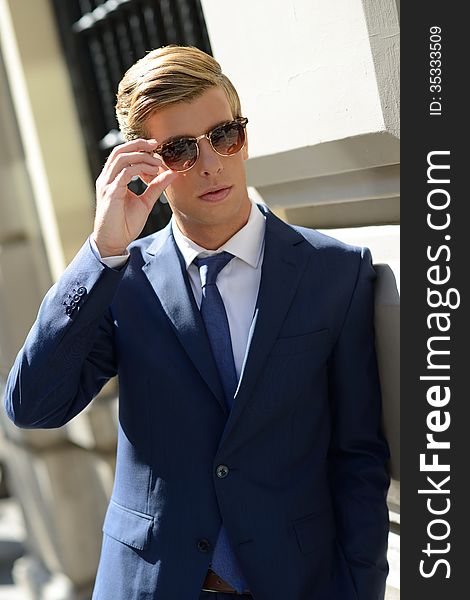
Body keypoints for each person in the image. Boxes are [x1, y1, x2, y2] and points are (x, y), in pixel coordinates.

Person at [4, 45, 390, 600]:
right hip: (150, 585)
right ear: (145, 163)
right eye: (181, 150)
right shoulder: (121, 280)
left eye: (224, 136)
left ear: (245, 137)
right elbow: (33, 407)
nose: (211, 163)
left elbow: (359, 459)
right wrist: (103, 249)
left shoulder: (335, 272)